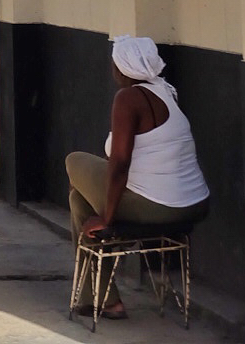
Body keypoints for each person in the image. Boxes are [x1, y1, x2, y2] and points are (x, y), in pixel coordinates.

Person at [66, 36, 210, 321]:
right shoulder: (166, 92)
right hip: (195, 203)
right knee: (78, 201)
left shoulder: (128, 98)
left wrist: (107, 218)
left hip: (160, 206)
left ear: (122, 68)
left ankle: (102, 295)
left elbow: (120, 163)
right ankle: (104, 299)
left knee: (73, 161)